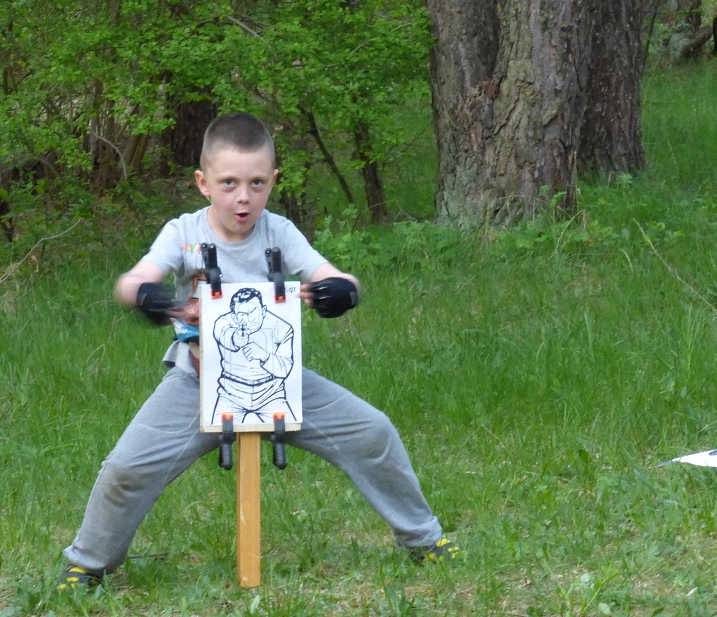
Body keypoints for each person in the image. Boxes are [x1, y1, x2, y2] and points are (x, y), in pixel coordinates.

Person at [58, 112, 459, 591]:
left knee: (373, 432)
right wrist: (151, 297)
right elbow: (130, 282)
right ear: (203, 183)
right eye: (228, 183)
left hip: (280, 383)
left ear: (273, 181)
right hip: (198, 381)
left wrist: (340, 291)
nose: (243, 197)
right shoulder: (183, 232)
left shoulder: (279, 232)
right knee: (126, 469)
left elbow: (337, 276)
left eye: (256, 183)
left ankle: (423, 539)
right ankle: (88, 564)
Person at [210, 286, 296, 425]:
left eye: (252, 312)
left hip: (271, 394)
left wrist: (264, 356)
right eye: (242, 314)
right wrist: (236, 338)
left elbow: (285, 369)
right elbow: (223, 334)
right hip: (231, 393)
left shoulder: (282, 328)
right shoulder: (223, 323)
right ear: (234, 316)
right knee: (215, 431)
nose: (248, 318)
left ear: (263, 310)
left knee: (289, 429)